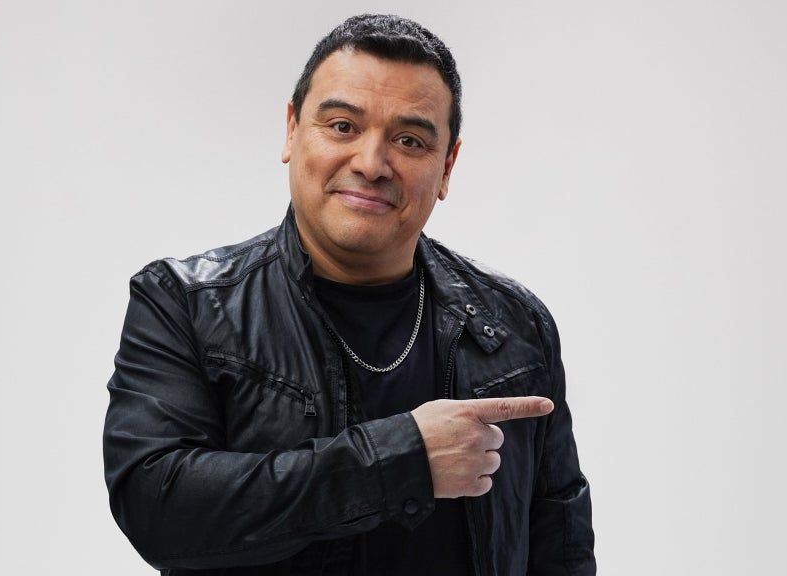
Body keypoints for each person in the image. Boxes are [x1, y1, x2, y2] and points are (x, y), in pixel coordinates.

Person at [103, 14, 595, 576]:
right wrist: (402, 460)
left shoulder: (516, 326)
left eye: (409, 141)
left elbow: (562, 549)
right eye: (342, 126)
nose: (371, 163)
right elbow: (158, 507)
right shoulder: (184, 304)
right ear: (292, 130)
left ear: (447, 167)